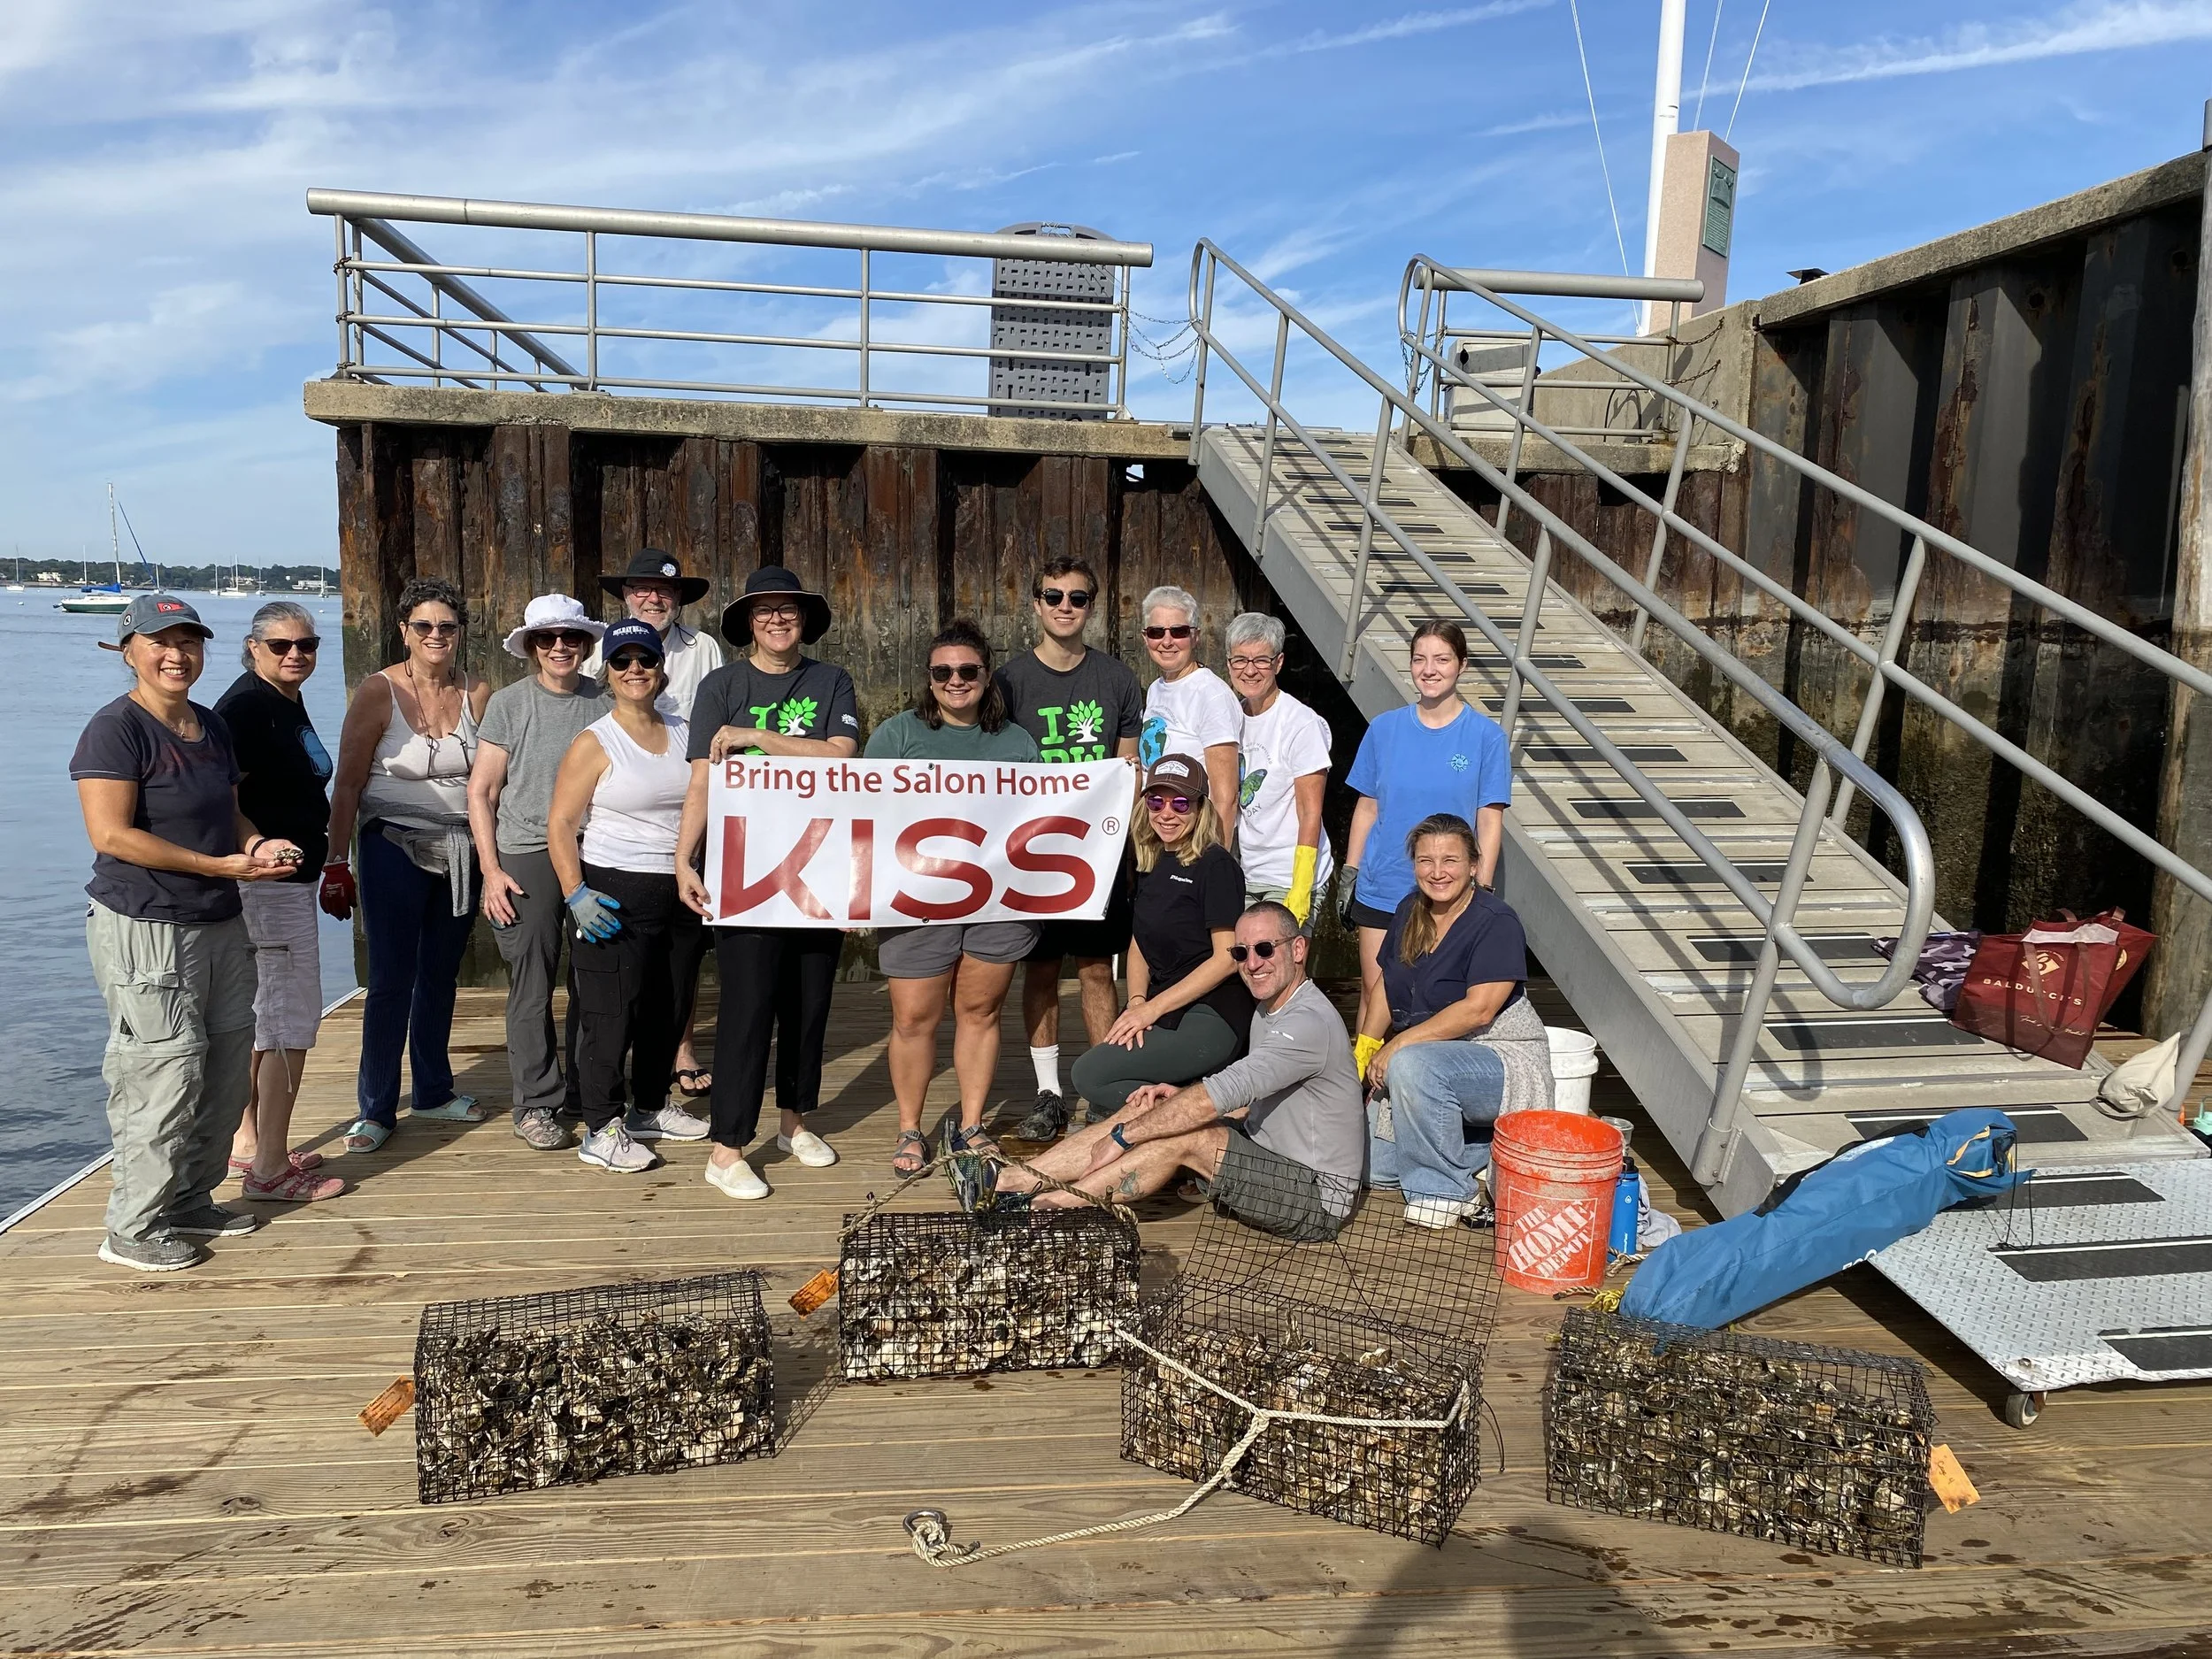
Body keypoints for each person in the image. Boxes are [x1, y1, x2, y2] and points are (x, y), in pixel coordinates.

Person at [72, 595, 301, 1271]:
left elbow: (230, 812)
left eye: (189, 641)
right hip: (145, 924)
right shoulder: (115, 729)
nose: (177, 654)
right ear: (127, 650)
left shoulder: (209, 725)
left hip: (219, 919)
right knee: (160, 1073)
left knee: (227, 1068)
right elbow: (111, 834)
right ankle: (132, 1226)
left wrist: (257, 845)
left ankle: (190, 1199)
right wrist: (217, 865)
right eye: (160, 641)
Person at [995, 902, 1363, 1241]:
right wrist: (1171, 1102)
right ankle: (1015, 1180)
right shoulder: (1271, 1007)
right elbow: (1260, 1099)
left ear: (1298, 950)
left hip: (1315, 1197)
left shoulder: (1307, 1023)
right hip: (1268, 1153)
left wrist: (1123, 1138)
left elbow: (1220, 1093)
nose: (1252, 964)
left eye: (1265, 949)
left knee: (1183, 1136)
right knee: (1148, 1107)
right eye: (1241, 952)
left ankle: (1044, 1208)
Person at [677, 565, 860, 1201]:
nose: (778, 620)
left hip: (820, 868)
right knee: (747, 1010)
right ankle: (726, 1147)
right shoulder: (721, 685)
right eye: (764, 611)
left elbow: (841, 755)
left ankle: (793, 1123)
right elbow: (702, 778)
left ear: (804, 620)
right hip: (744, 873)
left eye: (789, 610)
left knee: (809, 1006)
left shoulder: (832, 679)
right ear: (746, 623)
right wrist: (684, 858)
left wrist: (756, 736)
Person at [323, 577, 493, 1153]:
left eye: (446, 626)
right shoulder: (378, 691)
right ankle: (374, 1108)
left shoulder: (478, 692)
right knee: (391, 978)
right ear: (404, 631)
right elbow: (346, 782)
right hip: (390, 846)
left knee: (440, 975)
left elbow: (491, 784)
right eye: (424, 626)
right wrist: (334, 862)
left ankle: (434, 1091)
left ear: (460, 631)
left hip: (460, 851)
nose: (436, 635)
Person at [866, 621, 1041, 1174]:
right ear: (930, 678)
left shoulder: (1017, 743)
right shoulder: (896, 736)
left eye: (968, 671)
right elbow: (864, 820)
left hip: (999, 901)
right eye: (943, 672)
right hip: (916, 898)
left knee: (979, 1011)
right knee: (915, 1018)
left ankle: (970, 1124)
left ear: (986, 677)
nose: (956, 680)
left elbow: (1038, 823)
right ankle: (909, 1129)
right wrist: (854, 897)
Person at [547, 620, 710, 1174]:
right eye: (623, 661)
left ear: (661, 668)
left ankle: (650, 1106)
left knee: (668, 1005)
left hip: (681, 891)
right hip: (613, 893)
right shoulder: (595, 741)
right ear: (608, 672)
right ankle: (601, 1125)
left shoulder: (687, 730)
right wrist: (575, 894)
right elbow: (562, 824)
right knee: (608, 1012)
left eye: (645, 659)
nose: (635, 670)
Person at [993, 557, 1144, 1142]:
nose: (1064, 606)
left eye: (1077, 598)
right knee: (1040, 971)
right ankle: (1049, 1092)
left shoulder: (1118, 679)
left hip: (1097, 855)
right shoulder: (1007, 681)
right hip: (1031, 855)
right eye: (1052, 595)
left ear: (1091, 606)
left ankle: (1103, 1090)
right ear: (1034, 603)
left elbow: (1129, 768)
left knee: (1096, 973)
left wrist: (1131, 852)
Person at [1362, 813, 1553, 1229]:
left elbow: (1479, 1010)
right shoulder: (1410, 908)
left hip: (1499, 1053)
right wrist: (1361, 1054)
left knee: (1411, 1064)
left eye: (1450, 860)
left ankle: (1445, 1191)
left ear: (1473, 865)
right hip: (1430, 1057)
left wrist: (1396, 1045)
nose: (1437, 872)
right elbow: (1384, 985)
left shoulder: (1496, 921)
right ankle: (1480, 1147)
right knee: (1372, 1168)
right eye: (1425, 860)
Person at [214, 601, 346, 1204]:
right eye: (281, 645)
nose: (296, 654)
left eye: (307, 644)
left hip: (287, 881)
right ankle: (270, 1169)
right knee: (290, 1020)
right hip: (269, 886)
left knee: (266, 1019)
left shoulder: (282, 699)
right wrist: (260, 846)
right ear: (253, 647)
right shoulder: (245, 708)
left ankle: (248, 1140)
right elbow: (223, 799)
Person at [584, 547, 725, 1097]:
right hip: (621, 811)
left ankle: (679, 1050)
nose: (653, 598)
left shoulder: (704, 648)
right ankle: (600, 1085)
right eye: (641, 589)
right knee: (615, 966)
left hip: (688, 810)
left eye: (664, 591)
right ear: (624, 595)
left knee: (683, 951)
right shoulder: (599, 646)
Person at [470, 594, 607, 1150]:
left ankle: (586, 1087)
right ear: (530, 647)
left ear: (586, 644)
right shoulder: (507, 703)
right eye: (546, 639)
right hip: (526, 851)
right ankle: (536, 1102)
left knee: (596, 979)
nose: (559, 648)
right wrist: (491, 871)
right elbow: (481, 791)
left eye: (570, 638)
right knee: (532, 983)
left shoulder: (606, 697)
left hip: (596, 848)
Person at [1340, 621, 1511, 1040]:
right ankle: (1362, 1089)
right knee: (1374, 992)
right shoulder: (1384, 728)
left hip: (1445, 888)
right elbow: (1367, 806)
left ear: (1462, 665)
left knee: (1432, 1000)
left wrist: (1481, 886)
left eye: (1442, 659)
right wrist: (1350, 871)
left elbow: (1489, 818)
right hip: (1384, 885)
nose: (1429, 669)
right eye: (1420, 659)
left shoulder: (1485, 737)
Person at [1069, 754, 1251, 1116]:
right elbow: (1140, 942)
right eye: (1156, 800)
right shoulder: (1150, 860)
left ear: (1200, 808)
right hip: (1161, 1006)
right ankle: (1194, 1103)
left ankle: (1203, 1108)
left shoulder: (1216, 865)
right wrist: (1136, 1001)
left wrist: (1151, 1009)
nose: (1166, 813)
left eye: (1181, 802)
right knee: (1098, 1075)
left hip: (1211, 1010)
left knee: (1089, 1074)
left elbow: (1227, 958)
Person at [1224, 611, 1334, 930]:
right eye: (1240, 660)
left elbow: (1310, 812)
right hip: (1247, 870)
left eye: (1261, 660)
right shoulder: (1231, 717)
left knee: (1280, 970)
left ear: (1279, 663)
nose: (1250, 670)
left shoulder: (1301, 724)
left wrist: (1300, 888)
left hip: (1289, 873)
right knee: (1240, 963)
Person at [1136, 585, 1240, 843]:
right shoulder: (1156, 688)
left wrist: (1215, 868)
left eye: (1179, 631)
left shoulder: (1210, 694)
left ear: (1196, 637)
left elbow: (1225, 798)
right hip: (1159, 834)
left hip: (1194, 844)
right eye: (1156, 632)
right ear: (1145, 637)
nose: (1167, 641)